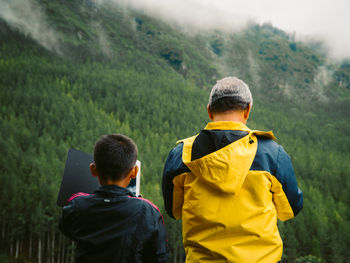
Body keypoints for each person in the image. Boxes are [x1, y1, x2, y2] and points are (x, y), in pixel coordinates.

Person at [162, 77, 303, 263]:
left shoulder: (182, 155)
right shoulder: (272, 154)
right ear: (248, 110)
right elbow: (291, 208)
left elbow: (174, 210)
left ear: (209, 111)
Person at [59, 134, 168, 263]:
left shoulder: (77, 205)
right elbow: (159, 257)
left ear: (93, 169)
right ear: (134, 171)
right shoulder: (148, 211)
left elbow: (66, 227)